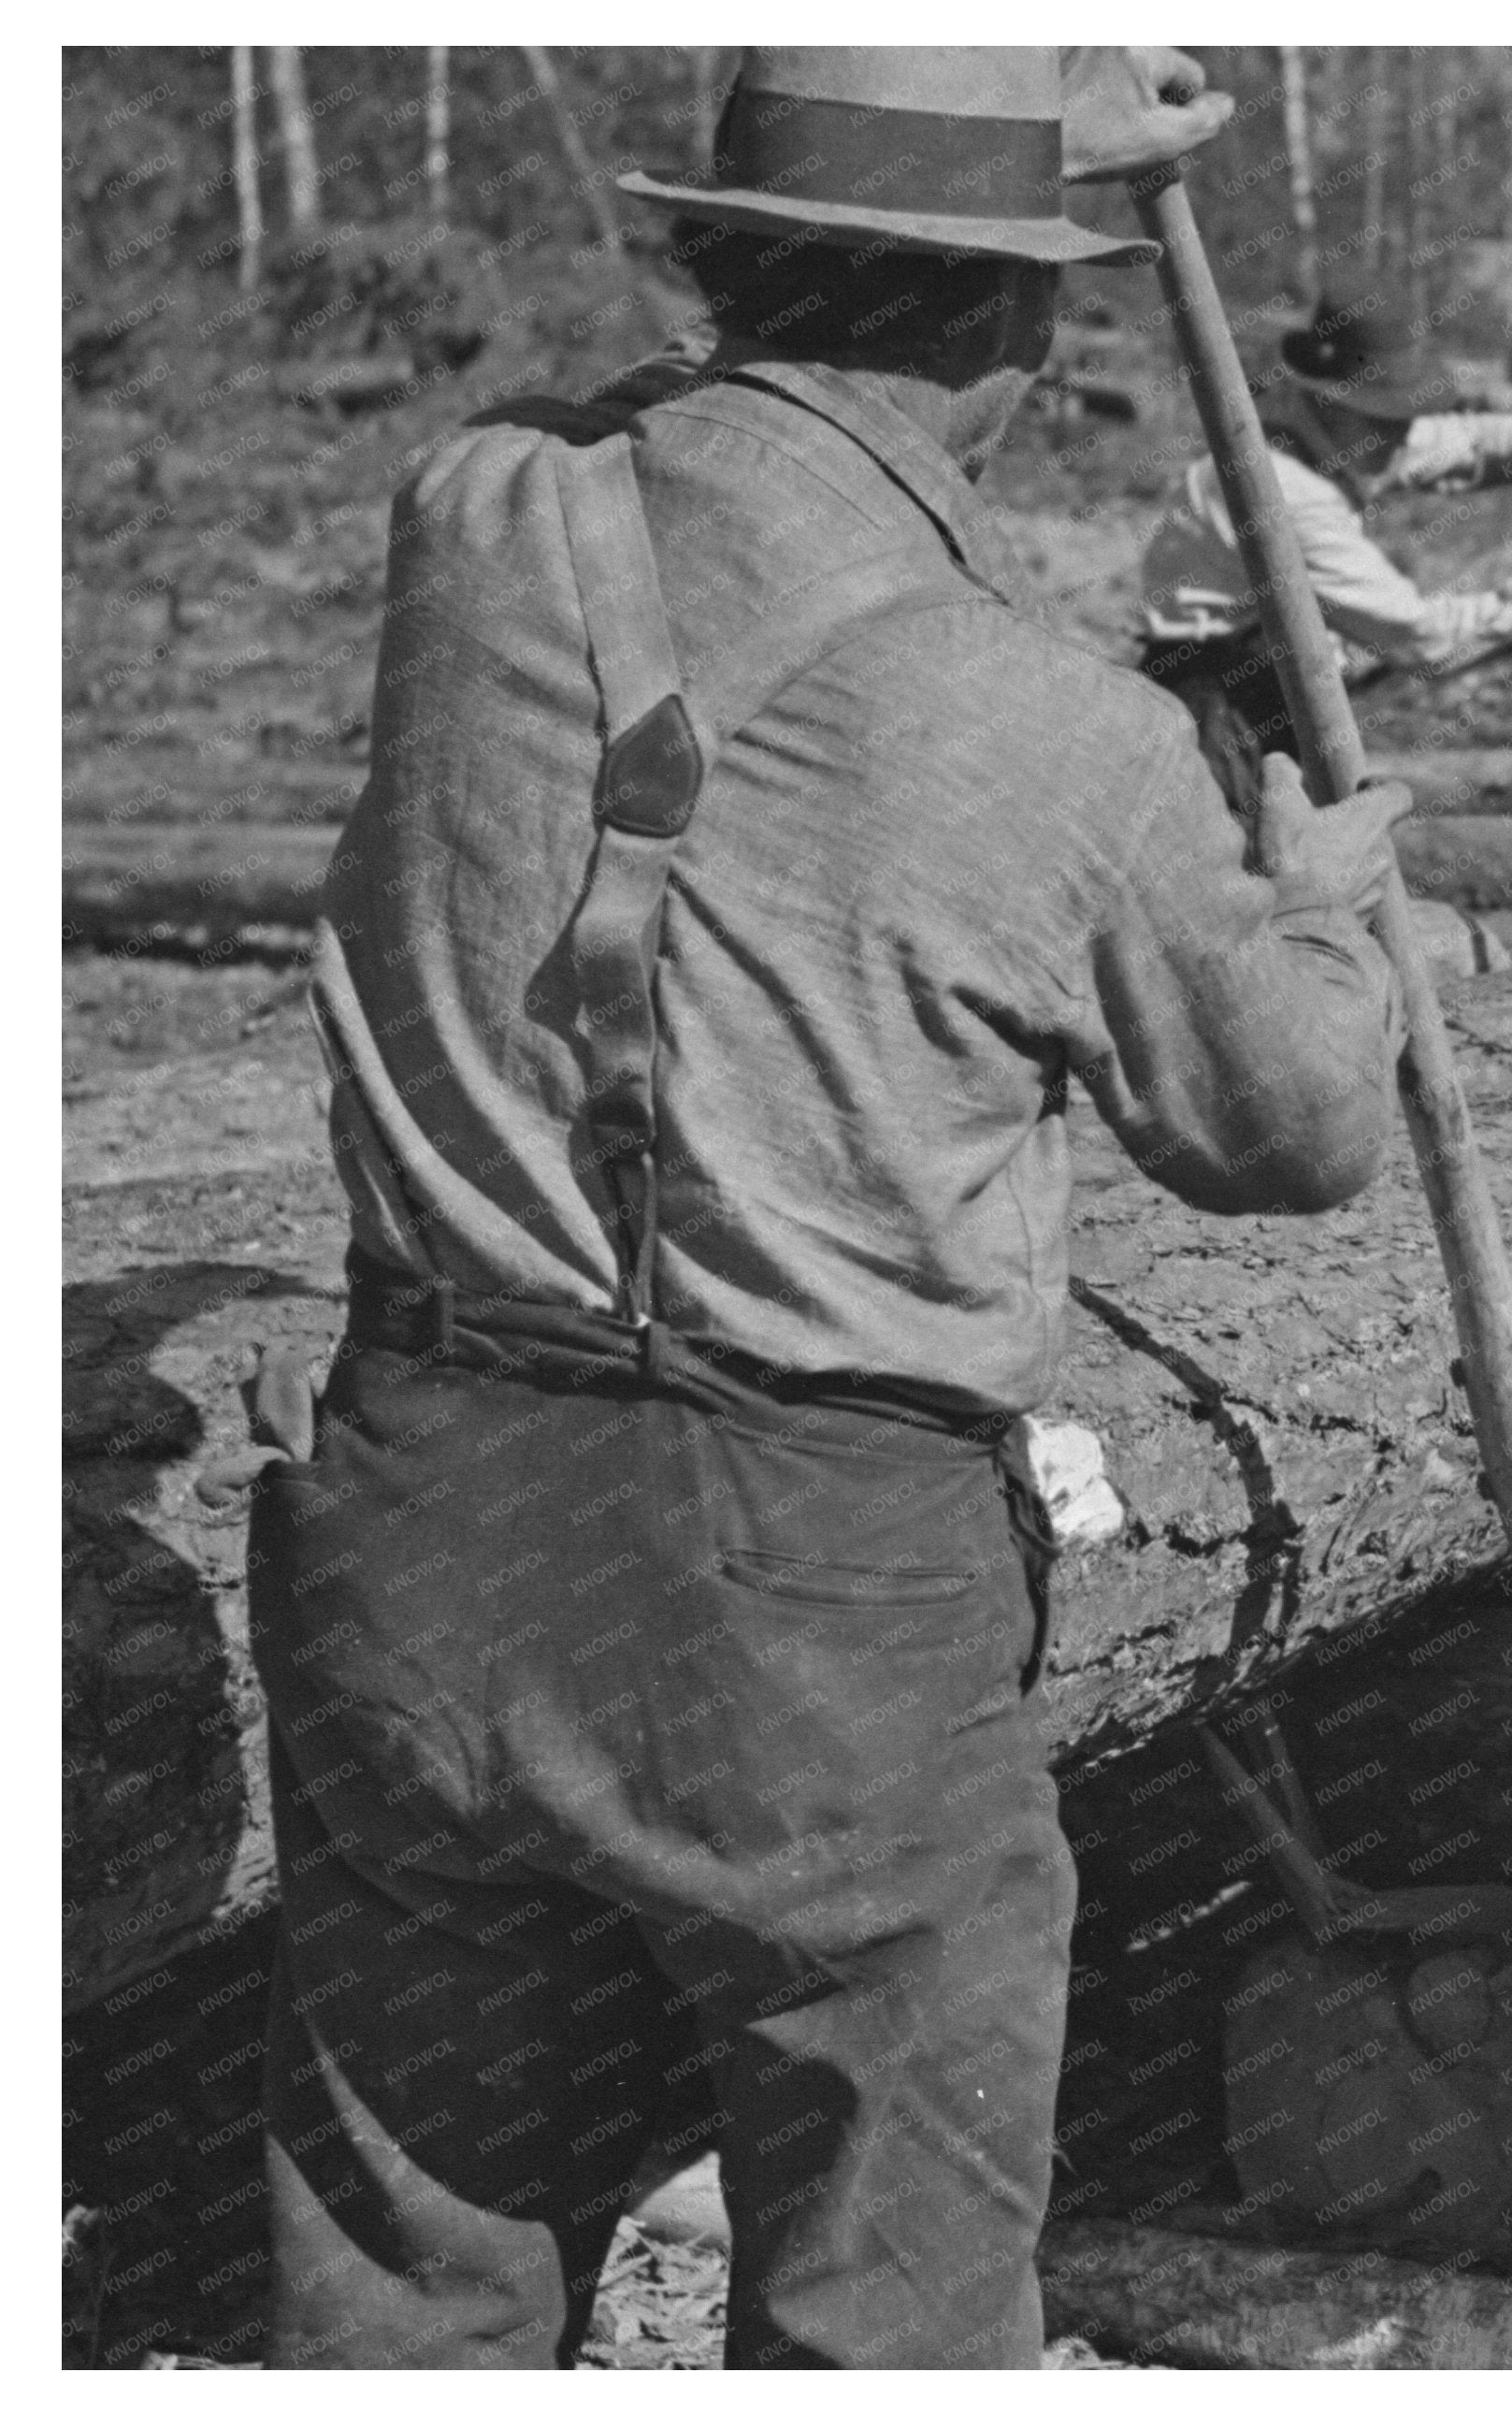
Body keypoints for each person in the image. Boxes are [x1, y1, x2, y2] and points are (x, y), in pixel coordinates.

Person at [250, 49, 1413, 2368]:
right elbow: (1292, 1138)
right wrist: (1321, 913)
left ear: (707, 263)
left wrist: (956, 174)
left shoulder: (471, 522)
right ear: (1029, 336)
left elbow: (658, 418)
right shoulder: (1056, 730)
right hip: (805, 1576)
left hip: (425, 1519)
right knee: (888, 2275)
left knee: (411, 2265)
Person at [1139, 287, 1512, 816]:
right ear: (1328, 400)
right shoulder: (1279, 488)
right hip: (1217, 716)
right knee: (1259, 882)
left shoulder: (1336, 431)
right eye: (1386, 420)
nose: (1402, 438)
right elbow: (1421, 637)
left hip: (1264, 687)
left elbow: (1461, 442)